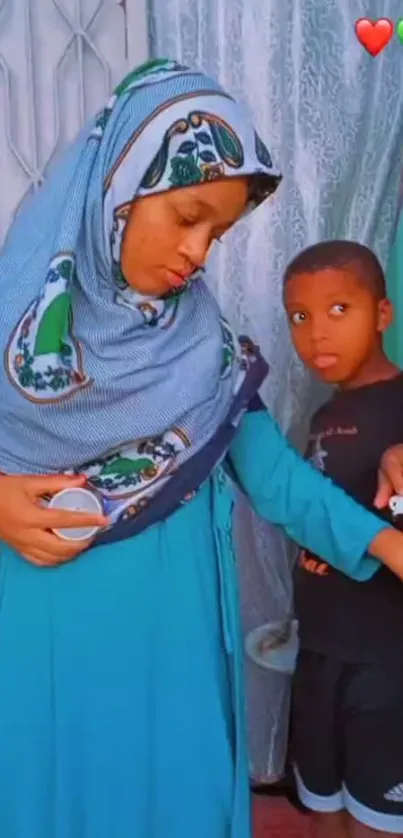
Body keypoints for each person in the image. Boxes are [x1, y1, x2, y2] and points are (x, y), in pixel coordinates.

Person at [0, 60, 403, 838]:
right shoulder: (13, 333)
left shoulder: (200, 352)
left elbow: (278, 481)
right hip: (44, 655)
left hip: (174, 653)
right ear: (115, 187)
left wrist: (388, 543)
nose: (198, 251)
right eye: (187, 215)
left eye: (217, 232)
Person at [283, 239, 403, 838]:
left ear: (382, 314)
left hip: (386, 668)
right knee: (323, 814)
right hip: (318, 654)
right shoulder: (323, 417)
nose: (316, 334)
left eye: (338, 309)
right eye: (300, 317)